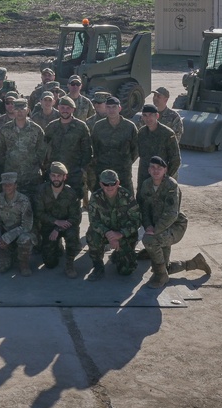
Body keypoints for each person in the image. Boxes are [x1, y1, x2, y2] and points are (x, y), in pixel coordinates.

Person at [138, 156, 211, 288]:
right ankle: (194, 263)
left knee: (149, 241)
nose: (156, 171)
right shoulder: (146, 185)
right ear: (148, 170)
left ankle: (161, 277)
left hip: (175, 226)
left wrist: (154, 230)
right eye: (153, 167)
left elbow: (171, 214)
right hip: (157, 226)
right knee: (162, 267)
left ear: (165, 170)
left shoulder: (171, 185)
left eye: (159, 168)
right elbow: (144, 209)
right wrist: (148, 225)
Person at [86, 169, 142, 281]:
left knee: (126, 271)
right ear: (101, 184)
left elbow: (137, 220)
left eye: (113, 183)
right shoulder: (96, 197)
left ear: (118, 183)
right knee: (92, 234)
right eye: (106, 184)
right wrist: (108, 234)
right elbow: (94, 221)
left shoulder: (126, 196)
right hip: (105, 233)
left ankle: (118, 255)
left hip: (123, 234)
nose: (109, 187)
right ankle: (98, 266)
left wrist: (120, 234)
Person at [35, 162, 82, 278]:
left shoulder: (71, 193)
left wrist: (58, 228)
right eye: (53, 175)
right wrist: (55, 222)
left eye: (59, 176)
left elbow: (75, 217)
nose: (56, 179)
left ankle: (70, 263)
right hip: (49, 225)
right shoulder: (41, 190)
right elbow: (39, 213)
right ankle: (57, 247)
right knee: (50, 264)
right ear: (49, 176)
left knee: (72, 235)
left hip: (66, 225)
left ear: (64, 177)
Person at [0, 98, 47, 199]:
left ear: (28, 110)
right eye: (17, 109)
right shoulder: (4, 129)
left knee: (33, 203)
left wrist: (34, 163)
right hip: (11, 176)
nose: (19, 112)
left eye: (22, 109)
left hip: (31, 176)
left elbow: (42, 150)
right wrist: (8, 162)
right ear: (13, 110)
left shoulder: (36, 129)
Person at [44, 96, 93, 199]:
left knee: (74, 200)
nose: (65, 110)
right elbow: (43, 148)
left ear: (73, 109)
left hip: (74, 172)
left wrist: (81, 169)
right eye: (62, 107)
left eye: (68, 108)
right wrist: (47, 168)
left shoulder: (81, 127)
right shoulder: (52, 126)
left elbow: (87, 150)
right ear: (58, 108)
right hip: (55, 173)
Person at [90, 96, 139, 195]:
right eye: (108, 107)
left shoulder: (129, 126)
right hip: (102, 171)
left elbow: (136, 149)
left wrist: (126, 161)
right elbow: (93, 147)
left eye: (114, 107)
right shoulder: (98, 126)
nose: (111, 110)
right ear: (105, 108)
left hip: (123, 172)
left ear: (119, 108)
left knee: (128, 202)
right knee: (99, 201)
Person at [0, 172, 35, 276]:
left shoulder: (23, 200)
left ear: (16, 185)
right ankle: (11, 254)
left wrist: (7, 237)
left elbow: (27, 226)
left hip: (21, 233)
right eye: (4, 184)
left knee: (25, 239)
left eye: (10, 184)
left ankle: (24, 264)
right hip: (5, 234)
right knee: (0, 268)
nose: (7, 187)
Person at [137, 104, 181, 190]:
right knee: (142, 201)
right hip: (144, 177)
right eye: (145, 115)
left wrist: (165, 177)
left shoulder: (167, 134)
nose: (148, 118)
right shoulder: (141, 133)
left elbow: (176, 159)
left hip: (161, 178)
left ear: (157, 116)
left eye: (151, 115)